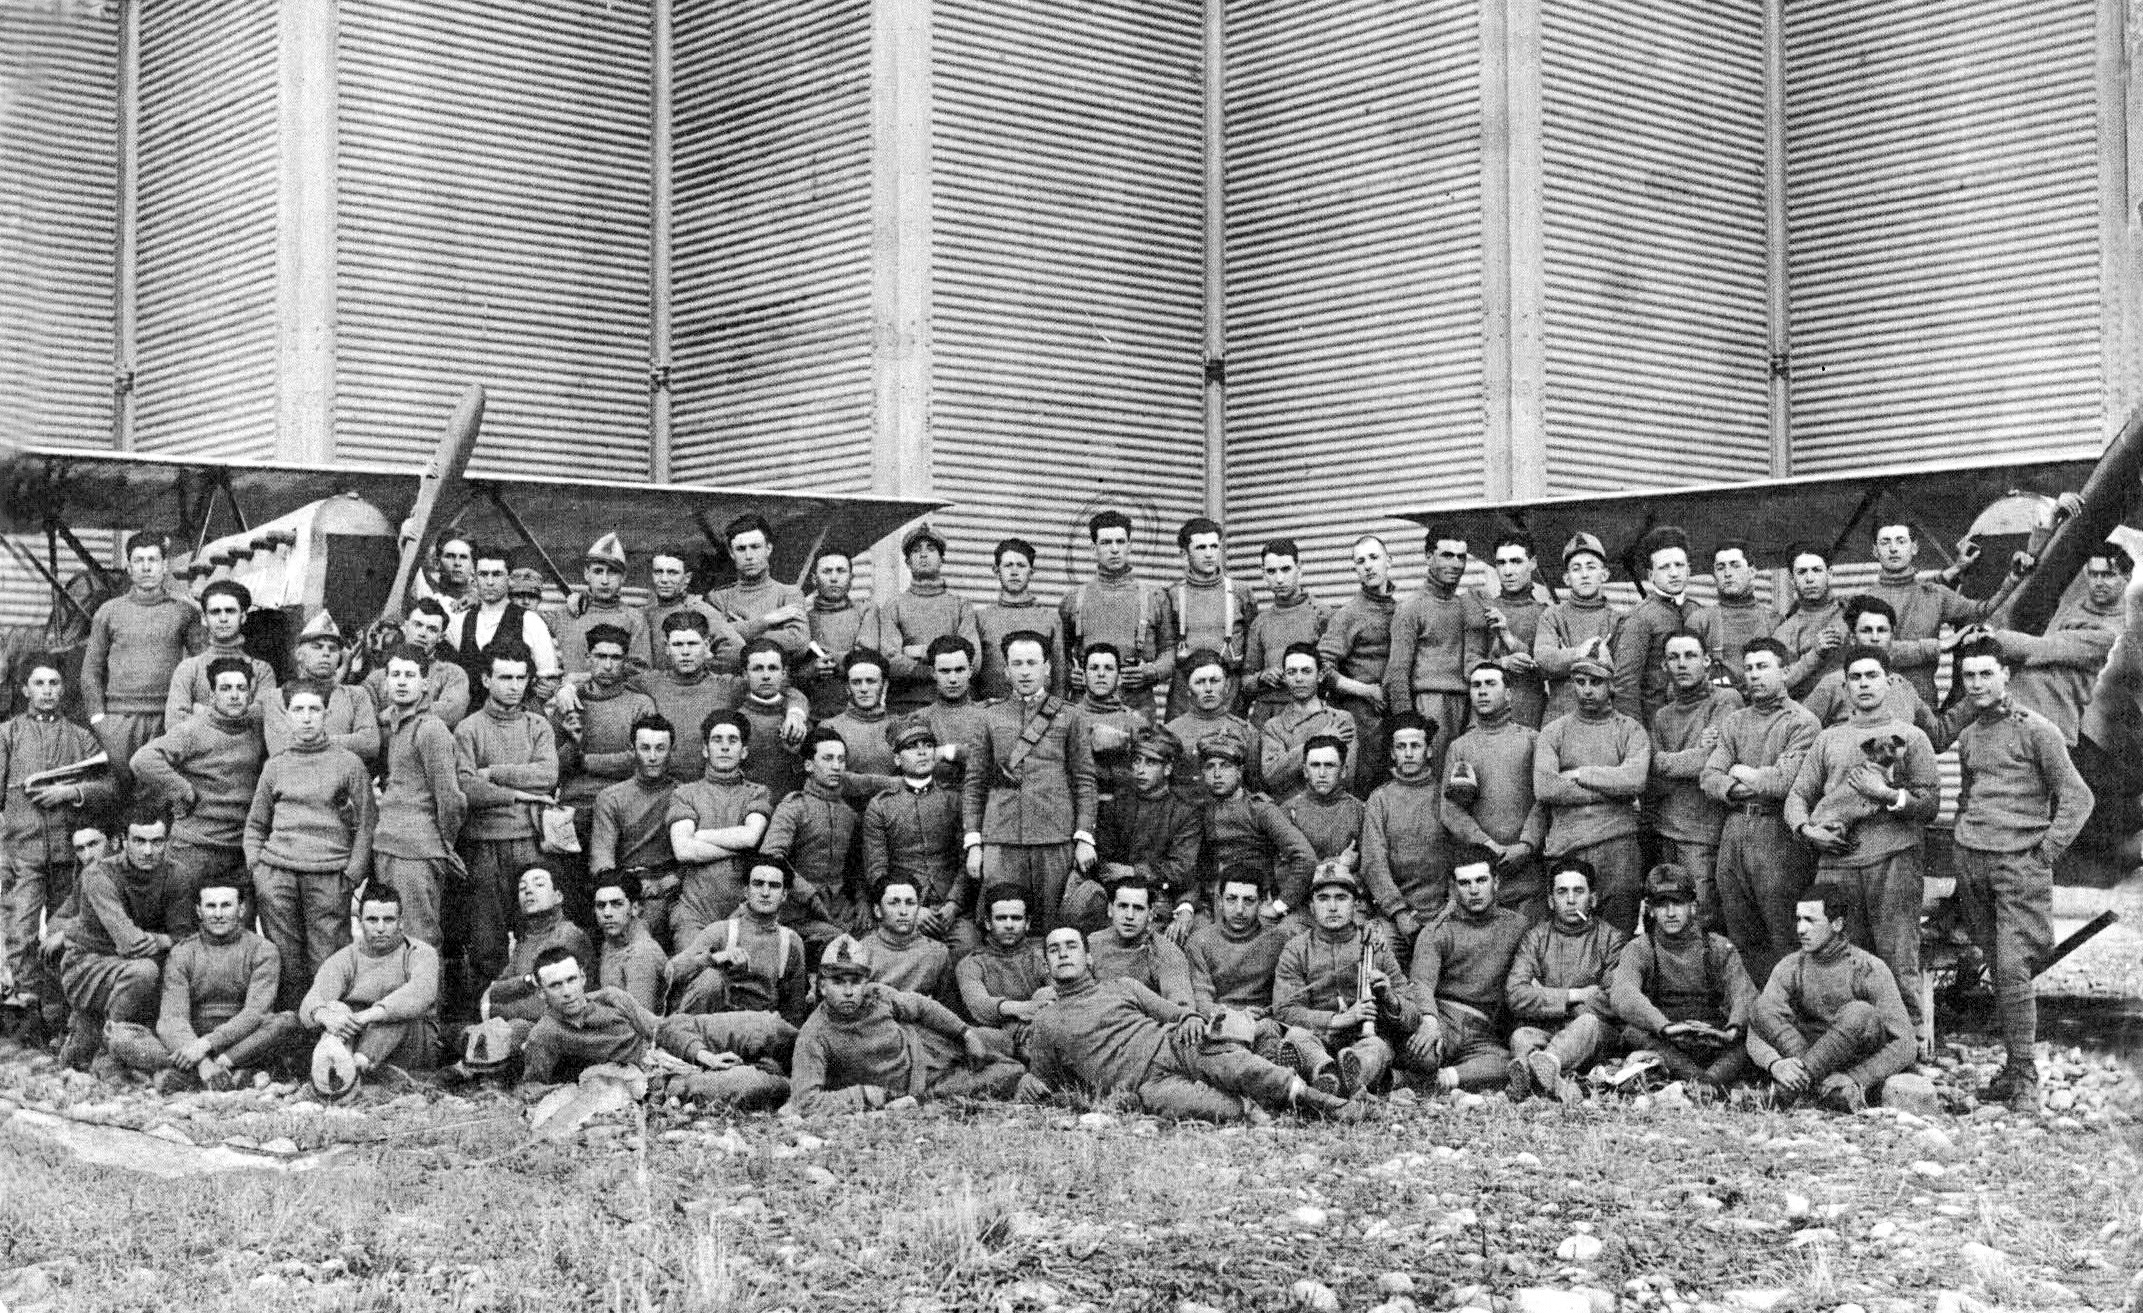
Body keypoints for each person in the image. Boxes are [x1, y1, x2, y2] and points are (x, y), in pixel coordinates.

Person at [1948, 636, 2094, 1110]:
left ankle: (2025, 1077)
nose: (1977, 684)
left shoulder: (2038, 731)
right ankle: (2011, 1069)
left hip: (2020, 864)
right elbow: (1970, 795)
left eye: (1986, 673)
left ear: (2006, 675)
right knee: (1996, 965)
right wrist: (1961, 842)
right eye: (1968, 676)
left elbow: (2078, 797)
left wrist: (2046, 852)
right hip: (1973, 861)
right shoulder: (1969, 734)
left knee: (2014, 969)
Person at [1022, 927, 1363, 1122]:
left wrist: (1188, 1018)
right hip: (1144, 1085)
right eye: (1054, 950)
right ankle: (1271, 1108)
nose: (1063, 954)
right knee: (1224, 1109)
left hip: (1175, 1045)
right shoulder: (1046, 1022)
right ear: (1047, 963)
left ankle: (1327, 1103)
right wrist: (1029, 1082)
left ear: (1089, 957)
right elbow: (1049, 1082)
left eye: (1071, 946)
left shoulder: (1122, 986)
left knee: (1241, 1067)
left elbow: (1176, 1012)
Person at [1783, 645, 1940, 1037]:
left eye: (1872, 676)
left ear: (1888, 682)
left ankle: (1907, 1043)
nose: (1864, 684)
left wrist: (1885, 794)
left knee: (1896, 956)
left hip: (1893, 860)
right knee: (1839, 958)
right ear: (1845, 684)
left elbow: (1930, 803)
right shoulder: (1829, 739)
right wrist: (1807, 830)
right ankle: (1844, 1041)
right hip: (1837, 865)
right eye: (1856, 677)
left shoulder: (1911, 737)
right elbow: (1798, 795)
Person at [244, 679, 377, 1012]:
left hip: (329, 875)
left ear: (327, 714)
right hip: (278, 875)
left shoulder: (349, 763)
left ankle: (328, 1037)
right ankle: (290, 1041)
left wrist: (353, 872)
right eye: (298, 710)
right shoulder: (275, 765)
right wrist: (258, 869)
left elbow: (367, 823)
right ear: (287, 716)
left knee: (328, 961)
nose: (306, 717)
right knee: (286, 962)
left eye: (314, 709)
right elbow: (256, 824)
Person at [784, 934, 1025, 1114]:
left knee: (1005, 1042)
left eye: (855, 981)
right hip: (923, 1086)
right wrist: (864, 1095)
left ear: (865, 981)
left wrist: (965, 1033)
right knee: (1011, 1072)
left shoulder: (876, 994)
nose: (848, 991)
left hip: (931, 1044)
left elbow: (921, 1006)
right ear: (823, 986)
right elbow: (805, 1101)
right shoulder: (814, 1034)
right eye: (838, 982)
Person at [1, 658, 117, 1030]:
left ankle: (60, 1014)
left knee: (62, 933)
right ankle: (27, 1009)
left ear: (63, 689)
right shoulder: (8, 734)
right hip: (23, 851)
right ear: (25, 690)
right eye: (39, 683)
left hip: (70, 854)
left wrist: (71, 791)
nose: (48, 690)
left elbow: (109, 786)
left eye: (54, 683)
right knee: (20, 930)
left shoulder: (80, 736)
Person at [104, 873, 301, 1091]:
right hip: (190, 1044)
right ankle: (223, 1075)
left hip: (240, 1044)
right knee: (121, 1036)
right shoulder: (182, 952)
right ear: (199, 911)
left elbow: (256, 1012)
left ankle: (196, 1074)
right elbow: (172, 1019)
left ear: (241, 910)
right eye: (210, 906)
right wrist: (202, 1060)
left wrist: (206, 1046)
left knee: (286, 1022)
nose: (218, 914)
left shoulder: (262, 950)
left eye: (226, 906)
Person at [1701, 639, 1821, 990]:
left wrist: (1737, 772)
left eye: (1763, 667)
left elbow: (1783, 782)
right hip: (1734, 830)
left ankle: (1790, 1010)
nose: (1754, 675)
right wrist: (1743, 781)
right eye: (1749, 668)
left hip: (1778, 834)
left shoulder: (1802, 722)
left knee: (1783, 930)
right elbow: (1710, 777)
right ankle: (1754, 1012)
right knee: (1740, 932)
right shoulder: (1735, 721)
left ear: (1784, 671)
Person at [961, 631, 1098, 929]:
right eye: (1017, 663)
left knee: (1055, 925)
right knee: (999, 925)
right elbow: (975, 782)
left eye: (1032, 663)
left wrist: (1084, 836)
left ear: (1047, 668)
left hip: (1054, 837)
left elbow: (1085, 780)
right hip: (1001, 838)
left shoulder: (1070, 716)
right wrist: (973, 841)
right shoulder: (988, 717)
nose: (1025, 671)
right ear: (1006, 670)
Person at [451, 642, 560, 1014]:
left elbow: (547, 775)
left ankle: (537, 1015)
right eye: (505, 677)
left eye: (520, 678)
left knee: (535, 929)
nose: (514, 686)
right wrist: (515, 793)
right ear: (486, 679)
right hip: (482, 843)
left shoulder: (538, 725)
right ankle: (487, 1019)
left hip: (530, 842)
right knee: (486, 938)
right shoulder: (468, 729)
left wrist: (494, 773)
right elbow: (466, 786)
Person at [130, 656, 266, 937]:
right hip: (194, 848)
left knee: (240, 932)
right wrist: (183, 790)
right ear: (213, 694)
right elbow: (143, 760)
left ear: (250, 692)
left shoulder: (257, 725)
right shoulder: (193, 729)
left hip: (238, 849)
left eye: (241, 688)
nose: (234, 695)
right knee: (184, 929)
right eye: (225, 688)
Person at [1746, 891, 1917, 1111]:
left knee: (1859, 1012)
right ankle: (1816, 1091)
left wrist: (1856, 1077)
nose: (1800, 929)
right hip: (1803, 1052)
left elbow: (1906, 1044)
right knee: (1761, 1006)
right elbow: (1756, 1025)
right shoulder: (1791, 966)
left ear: (1837, 924)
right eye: (1798, 919)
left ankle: (1790, 1092)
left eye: (1810, 920)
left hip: (1851, 1062)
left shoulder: (1867, 968)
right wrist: (1775, 1064)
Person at [1273, 866, 1425, 1096]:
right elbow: (1285, 1010)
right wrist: (1339, 1020)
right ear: (1312, 907)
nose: (1332, 907)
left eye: (1341, 898)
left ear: (1356, 905)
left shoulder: (1376, 946)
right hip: (1317, 1039)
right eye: (1323, 899)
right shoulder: (1296, 950)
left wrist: (1390, 998)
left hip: (1362, 1042)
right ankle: (1326, 1073)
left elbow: (1413, 1016)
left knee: (1377, 1049)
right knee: (1296, 1036)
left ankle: (1341, 1079)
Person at [1610, 863, 1757, 1093]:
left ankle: (1701, 1082)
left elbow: (1744, 993)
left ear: (1693, 906)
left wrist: (1731, 1031)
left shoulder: (1718, 946)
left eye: (1678, 903)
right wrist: (1665, 1027)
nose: (1670, 913)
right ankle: (1708, 1082)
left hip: (1715, 1039)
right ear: (1649, 909)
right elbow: (1623, 994)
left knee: (1754, 1034)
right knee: (1632, 1032)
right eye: (1661, 904)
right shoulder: (1640, 948)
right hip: (1667, 1041)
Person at [57, 803, 179, 1070]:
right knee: (144, 971)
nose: (148, 851)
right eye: (139, 841)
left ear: (167, 842)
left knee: (175, 970)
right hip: (88, 965)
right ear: (122, 841)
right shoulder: (98, 874)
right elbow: (130, 943)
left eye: (157, 841)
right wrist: (164, 940)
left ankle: (97, 1030)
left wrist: (166, 941)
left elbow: (186, 937)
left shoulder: (175, 874)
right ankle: (107, 1050)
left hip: (132, 964)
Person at [1533, 657, 1650, 934]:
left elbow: (1634, 780)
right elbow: (1546, 787)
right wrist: (1613, 789)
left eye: (1596, 682)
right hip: (1568, 846)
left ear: (1611, 686)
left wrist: (1578, 774)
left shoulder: (1630, 730)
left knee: (1617, 934)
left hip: (1618, 847)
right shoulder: (1554, 732)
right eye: (1580, 682)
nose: (1586, 690)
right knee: (1569, 933)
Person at [551, 624, 657, 928]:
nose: (608, 665)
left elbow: (638, 759)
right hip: (577, 808)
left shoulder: (639, 704)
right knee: (575, 897)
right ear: (587, 658)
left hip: (624, 805)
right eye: (600, 656)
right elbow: (552, 767)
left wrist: (585, 760)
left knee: (616, 894)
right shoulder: (569, 703)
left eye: (616, 657)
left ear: (625, 660)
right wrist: (572, 743)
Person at [1978, 543, 2131, 745]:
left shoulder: (2107, 633)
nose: (2099, 582)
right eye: (2094, 574)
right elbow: (2049, 565)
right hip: (2013, 716)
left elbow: (2042, 649)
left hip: (2049, 727)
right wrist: (2042, 534)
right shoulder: (2077, 599)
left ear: (2127, 578)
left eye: (2108, 575)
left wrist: (1992, 637)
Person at [81, 530, 203, 783]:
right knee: (121, 792)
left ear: (164, 565)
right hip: (119, 721)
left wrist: (193, 716)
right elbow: (91, 670)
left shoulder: (184, 612)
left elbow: (202, 666)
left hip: (167, 719)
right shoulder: (109, 612)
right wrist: (99, 719)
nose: (146, 567)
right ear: (128, 566)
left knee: (163, 794)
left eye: (153, 560)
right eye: (139, 560)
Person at [299, 881, 442, 1094]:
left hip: (411, 1040)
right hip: (359, 1034)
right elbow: (312, 1000)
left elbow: (420, 993)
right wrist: (325, 1016)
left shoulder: (420, 952)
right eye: (372, 920)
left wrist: (368, 1015)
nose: (381, 928)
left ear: (401, 922)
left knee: (395, 1013)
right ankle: (336, 1064)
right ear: (359, 922)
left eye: (389, 919)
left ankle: (351, 1069)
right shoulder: (346, 957)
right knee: (336, 1009)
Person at [632, 611, 807, 785]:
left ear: (707, 644)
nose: (685, 652)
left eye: (692, 644)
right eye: (678, 644)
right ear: (666, 647)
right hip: (663, 785)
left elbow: (787, 691)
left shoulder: (728, 686)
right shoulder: (649, 683)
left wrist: (795, 714)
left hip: (712, 787)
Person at [1505, 859, 1627, 1104]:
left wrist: (1545, 997)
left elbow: (1614, 997)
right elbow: (1516, 994)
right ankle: (1554, 1081)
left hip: (1590, 1037)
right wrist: (1576, 995)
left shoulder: (1611, 939)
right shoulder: (1536, 938)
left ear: (1592, 898)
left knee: (1588, 1023)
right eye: (1562, 892)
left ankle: (1536, 1071)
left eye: (1578, 891)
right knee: (1521, 1037)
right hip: (1548, 1030)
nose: (1571, 901)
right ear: (1551, 901)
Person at [1860, 519, 2017, 706]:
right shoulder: (1864, 601)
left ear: (1914, 548)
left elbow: (1981, 611)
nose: (1893, 549)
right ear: (1875, 551)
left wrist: (2012, 580)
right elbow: (1874, 653)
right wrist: (1940, 645)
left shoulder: (1935, 593)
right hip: (1876, 705)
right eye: (1885, 542)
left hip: (1924, 706)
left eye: (1901, 541)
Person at [372, 644, 467, 949]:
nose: (401, 682)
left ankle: (431, 998)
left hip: (417, 850)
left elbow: (450, 798)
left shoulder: (431, 730)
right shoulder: (394, 727)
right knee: (391, 941)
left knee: (419, 939)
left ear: (425, 683)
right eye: (395, 674)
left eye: (410, 675)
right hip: (387, 844)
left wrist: (445, 843)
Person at [1069, 726, 1204, 938]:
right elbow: (1104, 856)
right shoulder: (1119, 804)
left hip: (1158, 896)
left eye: (1150, 763)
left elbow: (1182, 868)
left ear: (1168, 769)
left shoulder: (1184, 813)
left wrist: (1134, 872)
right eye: (1136, 761)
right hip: (1115, 893)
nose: (1140, 770)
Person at [1407, 861, 1529, 1093]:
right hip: (1444, 1019)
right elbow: (1421, 982)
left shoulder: (1517, 926)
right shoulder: (1438, 930)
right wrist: (1429, 1021)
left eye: (1481, 880)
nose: (1474, 890)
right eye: (1465, 883)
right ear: (1454, 887)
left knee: (1511, 1064)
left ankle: (1444, 1079)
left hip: (1482, 1029)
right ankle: (1421, 1074)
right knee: (1423, 1055)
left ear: (1496, 882)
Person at [1648, 631, 1742, 928]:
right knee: (1668, 921)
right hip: (1665, 830)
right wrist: (1690, 757)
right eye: (1673, 657)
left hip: (1704, 834)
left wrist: (1666, 761)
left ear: (1706, 661)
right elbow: (1652, 776)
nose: (1682, 664)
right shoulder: (1662, 716)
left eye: (1690, 656)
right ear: (1664, 666)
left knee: (1702, 919)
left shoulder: (1725, 701)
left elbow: (1710, 763)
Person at [1440, 661, 1546, 919]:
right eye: (1476, 685)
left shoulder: (1531, 740)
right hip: (1481, 877)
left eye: (1490, 684)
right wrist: (1485, 844)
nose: (1482, 691)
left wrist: (1526, 845)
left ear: (1508, 694)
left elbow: (1545, 798)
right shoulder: (1460, 747)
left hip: (1527, 877)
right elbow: (1449, 808)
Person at [860, 719, 973, 959]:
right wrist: (912, 910)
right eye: (912, 746)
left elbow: (967, 862)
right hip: (903, 908)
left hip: (949, 907)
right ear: (898, 759)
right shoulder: (881, 806)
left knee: (967, 946)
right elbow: (876, 870)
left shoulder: (954, 801)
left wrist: (953, 905)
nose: (922, 751)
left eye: (927, 745)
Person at [665, 710, 775, 945]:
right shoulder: (685, 794)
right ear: (705, 749)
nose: (725, 747)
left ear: (743, 751)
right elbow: (684, 850)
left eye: (732, 740)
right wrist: (738, 847)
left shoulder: (757, 793)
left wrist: (701, 835)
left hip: (746, 914)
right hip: (695, 912)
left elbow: (750, 837)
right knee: (697, 970)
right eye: (717, 740)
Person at [1384, 524, 1489, 770]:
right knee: (1432, 780)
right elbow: (1397, 672)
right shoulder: (1411, 607)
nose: (1455, 564)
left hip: (1469, 705)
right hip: (1429, 706)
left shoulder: (1468, 605)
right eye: (1447, 555)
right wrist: (1407, 724)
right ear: (1429, 557)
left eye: (1461, 557)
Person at [664, 856, 810, 1028]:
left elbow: (794, 1011)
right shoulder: (721, 931)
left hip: (757, 1031)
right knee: (710, 980)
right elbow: (671, 971)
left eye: (774, 886)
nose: (765, 892)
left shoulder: (790, 942)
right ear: (746, 891)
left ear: (784, 894)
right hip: (713, 1028)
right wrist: (714, 959)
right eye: (758, 884)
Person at [1059, 509, 1174, 719]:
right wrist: (1069, 674)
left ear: (1129, 545)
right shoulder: (1074, 599)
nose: (1114, 549)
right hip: (1084, 708)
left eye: (1120, 542)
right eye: (1106, 542)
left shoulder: (1154, 597)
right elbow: (1060, 654)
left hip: (1136, 706)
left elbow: (1169, 651)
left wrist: (1150, 672)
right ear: (1093, 547)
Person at [1193, 736, 1318, 926]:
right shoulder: (1202, 811)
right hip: (1216, 904)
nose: (1217, 774)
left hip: (1257, 906)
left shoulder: (1260, 810)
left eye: (1225, 766)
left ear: (1239, 771)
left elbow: (1305, 857)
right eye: (1210, 766)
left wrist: (1280, 905)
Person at [764, 725, 873, 941]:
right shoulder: (794, 806)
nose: (836, 767)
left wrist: (862, 901)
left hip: (839, 909)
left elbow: (854, 868)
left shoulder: (849, 813)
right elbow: (772, 857)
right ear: (809, 765)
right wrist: (808, 895)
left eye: (841, 760)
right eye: (828, 759)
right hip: (797, 912)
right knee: (839, 942)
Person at [1797, 597, 1949, 746]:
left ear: (1892, 636)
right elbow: (1799, 733)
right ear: (1852, 638)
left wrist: (1970, 697)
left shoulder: (1903, 687)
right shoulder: (1833, 684)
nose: (1875, 638)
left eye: (1882, 630)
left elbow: (1938, 737)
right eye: (1867, 630)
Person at [472, 867, 594, 1052]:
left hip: (566, 1029)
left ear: (558, 896)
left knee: (509, 1030)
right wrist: (527, 981)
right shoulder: (526, 939)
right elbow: (495, 989)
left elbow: (550, 1005)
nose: (529, 891)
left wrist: (494, 1010)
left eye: (539, 884)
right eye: (522, 888)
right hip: (530, 1026)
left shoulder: (567, 935)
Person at [1612, 526, 1721, 724]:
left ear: (1689, 569)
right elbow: (1625, 686)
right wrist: (1637, 738)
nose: (1673, 573)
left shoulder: (1699, 612)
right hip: (1656, 724)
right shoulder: (1639, 618)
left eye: (1679, 565)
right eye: (1664, 567)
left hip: (1699, 721)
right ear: (1651, 575)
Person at [1359, 712, 1452, 945]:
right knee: (1379, 950)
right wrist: (1398, 912)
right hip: (1394, 916)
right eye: (1401, 747)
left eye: (1415, 746)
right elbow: (1373, 863)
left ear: (1429, 750)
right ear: (1392, 753)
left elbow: (1460, 856)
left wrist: (1449, 909)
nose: (1408, 754)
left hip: (1444, 914)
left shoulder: (1445, 795)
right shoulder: (1380, 799)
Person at [590, 714, 682, 945]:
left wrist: (673, 879)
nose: (652, 757)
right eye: (645, 748)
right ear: (633, 749)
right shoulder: (611, 798)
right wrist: (633, 889)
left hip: (676, 886)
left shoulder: (684, 794)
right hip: (631, 889)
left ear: (671, 750)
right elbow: (602, 863)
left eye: (660, 748)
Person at [870, 524, 981, 715]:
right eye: (915, 550)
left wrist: (915, 651)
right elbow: (889, 662)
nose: (923, 555)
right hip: (906, 705)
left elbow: (974, 660)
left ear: (942, 559)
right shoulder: (894, 606)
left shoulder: (961, 605)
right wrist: (943, 665)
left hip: (953, 705)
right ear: (907, 561)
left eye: (931, 549)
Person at [1318, 534, 1400, 790]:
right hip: (1362, 718)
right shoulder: (1347, 614)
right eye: (1360, 561)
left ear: (1390, 561)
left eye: (1374, 558)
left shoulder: (1402, 610)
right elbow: (1322, 668)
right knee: (1365, 784)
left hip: (1394, 712)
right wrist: (1366, 691)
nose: (1368, 566)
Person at [519, 945, 659, 1085]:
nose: (567, 992)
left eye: (572, 979)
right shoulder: (544, 1034)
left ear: (583, 978)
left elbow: (658, 1029)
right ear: (541, 993)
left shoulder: (611, 999)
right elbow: (532, 1088)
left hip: (656, 1066)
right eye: (555, 985)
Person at [446, 544, 563, 706]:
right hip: (469, 723)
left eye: (497, 574)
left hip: (516, 723)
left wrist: (522, 713)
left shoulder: (530, 621)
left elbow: (549, 681)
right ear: (474, 578)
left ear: (509, 579)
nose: (490, 582)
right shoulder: (460, 621)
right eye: (483, 574)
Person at [1166, 517, 1259, 719]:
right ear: (1184, 553)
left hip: (1229, 690)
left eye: (1214, 546)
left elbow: (1253, 648)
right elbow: (1165, 646)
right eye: (1200, 547)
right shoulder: (1172, 595)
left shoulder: (1241, 593)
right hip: (1185, 690)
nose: (1209, 554)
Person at [1185, 873, 1294, 1042]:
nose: (1239, 909)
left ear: (1262, 902)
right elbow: (1201, 999)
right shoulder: (1200, 941)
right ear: (1220, 901)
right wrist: (1234, 1017)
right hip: (1220, 1025)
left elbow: (1286, 995)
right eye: (1231, 899)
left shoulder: (1278, 940)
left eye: (1249, 900)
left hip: (1263, 1024)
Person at [263, 612, 380, 765]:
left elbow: (370, 744)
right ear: (299, 654)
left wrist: (309, 740)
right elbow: (280, 748)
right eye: (317, 647)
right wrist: (345, 742)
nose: (326, 653)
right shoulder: (276, 697)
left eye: (332, 649)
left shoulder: (356, 695)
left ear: (340, 656)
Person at [1533, 532, 1623, 725]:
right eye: (1576, 568)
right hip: (1560, 717)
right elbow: (1543, 660)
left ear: (1604, 574)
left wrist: (1564, 659)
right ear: (1566, 578)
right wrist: (1580, 653)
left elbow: (1621, 673)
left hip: (1603, 719)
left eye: (1591, 567)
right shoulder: (1553, 615)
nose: (1584, 575)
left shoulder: (1617, 620)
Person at [163, 580, 275, 729]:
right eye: (215, 612)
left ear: (243, 616)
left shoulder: (261, 671)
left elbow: (260, 723)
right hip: (197, 752)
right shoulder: (189, 668)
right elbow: (174, 724)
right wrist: (236, 716)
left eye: (230, 611)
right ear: (204, 618)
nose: (223, 619)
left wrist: (202, 713)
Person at [1241, 538, 1329, 729]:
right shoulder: (1260, 622)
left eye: (1286, 569)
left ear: (1300, 569)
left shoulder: (1320, 614)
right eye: (1271, 571)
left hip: (1308, 714)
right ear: (1263, 573)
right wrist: (1262, 677)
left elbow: (1331, 671)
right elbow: (1246, 681)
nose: (1279, 579)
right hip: (1267, 714)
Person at [954, 885, 1054, 1052]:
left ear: (1027, 923)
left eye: (1016, 918)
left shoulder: (1040, 954)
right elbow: (979, 1006)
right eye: (1001, 918)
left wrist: (1036, 1019)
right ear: (988, 922)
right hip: (997, 1041)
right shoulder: (972, 963)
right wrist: (1023, 1009)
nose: (1009, 925)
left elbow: (1062, 988)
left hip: (1042, 1028)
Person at [1259, 641, 1357, 797]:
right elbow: (1272, 777)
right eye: (1291, 672)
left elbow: (1347, 778)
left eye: (1306, 671)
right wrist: (1320, 739)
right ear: (1284, 677)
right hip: (1289, 812)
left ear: (1320, 675)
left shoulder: (1340, 719)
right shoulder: (1274, 726)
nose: (1299, 679)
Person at [973, 537, 1063, 702]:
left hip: (1039, 716)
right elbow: (972, 674)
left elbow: (1059, 678)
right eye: (1008, 565)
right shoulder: (981, 618)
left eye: (1021, 565)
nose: (1014, 572)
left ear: (1031, 571)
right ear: (996, 570)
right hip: (991, 714)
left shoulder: (1049, 618)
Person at [708, 513, 811, 658]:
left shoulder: (789, 594)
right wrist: (766, 621)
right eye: (741, 549)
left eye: (755, 547)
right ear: (731, 553)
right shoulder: (719, 598)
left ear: (768, 549)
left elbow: (799, 643)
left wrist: (742, 631)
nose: (749, 556)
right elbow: (715, 644)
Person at [361, 598, 472, 727]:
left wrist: (394, 714)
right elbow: (363, 720)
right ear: (406, 627)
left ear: (441, 637)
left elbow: (451, 713)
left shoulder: (452, 674)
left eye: (432, 629)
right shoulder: (378, 677)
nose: (422, 634)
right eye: (417, 625)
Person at [554, 533, 654, 675]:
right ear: (586, 574)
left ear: (623, 577)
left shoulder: (634, 619)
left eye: (612, 573)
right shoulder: (566, 613)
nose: (605, 580)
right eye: (598, 571)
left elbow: (639, 672)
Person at [1086, 875, 1194, 1004]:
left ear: (1150, 914)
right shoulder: (1092, 944)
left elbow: (1181, 1006)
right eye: (1123, 906)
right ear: (1110, 909)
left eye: (1138, 908)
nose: (1129, 916)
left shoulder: (1167, 953)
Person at [1164, 649, 1259, 794]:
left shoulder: (1246, 732)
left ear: (1227, 686)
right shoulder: (1170, 732)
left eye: (1214, 681)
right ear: (1188, 689)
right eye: (1200, 682)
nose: (1208, 689)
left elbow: (1253, 788)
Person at [798, 548, 877, 716]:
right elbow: (792, 670)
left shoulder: (865, 611)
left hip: (855, 709)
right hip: (813, 710)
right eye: (827, 571)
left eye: (841, 571)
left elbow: (866, 656)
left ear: (851, 578)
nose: (834, 578)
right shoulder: (804, 619)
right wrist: (812, 669)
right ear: (814, 579)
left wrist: (829, 656)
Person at [1481, 533, 1549, 728]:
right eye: (1501, 563)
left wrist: (1509, 638)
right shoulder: (1485, 609)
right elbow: (1468, 665)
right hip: (1487, 714)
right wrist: (1502, 662)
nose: (1508, 571)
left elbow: (1546, 667)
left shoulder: (1545, 613)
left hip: (1529, 711)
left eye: (1516, 561)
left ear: (1533, 563)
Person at [645, 547, 744, 676]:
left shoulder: (700, 610)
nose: (664, 579)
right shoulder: (644, 614)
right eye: (658, 572)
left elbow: (736, 650)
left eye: (672, 573)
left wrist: (698, 670)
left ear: (687, 578)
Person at [863, 875, 958, 998]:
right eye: (893, 903)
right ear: (878, 911)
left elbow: (945, 1008)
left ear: (918, 908)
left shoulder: (937, 953)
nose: (903, 911)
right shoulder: (863, 951)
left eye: (910, 903)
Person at [1773, 544, 1847, 700]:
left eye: (1817, 570)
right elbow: (1778, 683)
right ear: (1792, 579)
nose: (1809, 579)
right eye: (1801, 572)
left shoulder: (1851, 614)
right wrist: (1815, 653)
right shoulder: (1785, 630)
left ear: (1830, 574)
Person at [1073, 643, 1145, 801]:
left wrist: (1123, 743)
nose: (1101, 674)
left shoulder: (1135, 722)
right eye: (1094, 668)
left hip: (1124, 806)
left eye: (1108, 668)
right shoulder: (1068, 718)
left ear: (1119, 678)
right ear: (1083, 678)